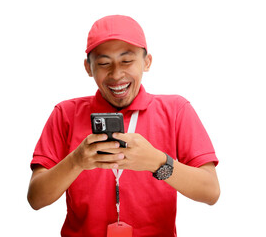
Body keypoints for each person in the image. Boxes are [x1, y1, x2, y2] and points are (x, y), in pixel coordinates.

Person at [27, 15, 220, 237]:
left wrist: (158, 163)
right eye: (103, 63)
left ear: (146, 62)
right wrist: (76, 161)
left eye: (127, 61)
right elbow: (36, 199)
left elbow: (211, 191)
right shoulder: (65, 114)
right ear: (88, 68)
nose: (117, 74)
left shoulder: (176, 110)